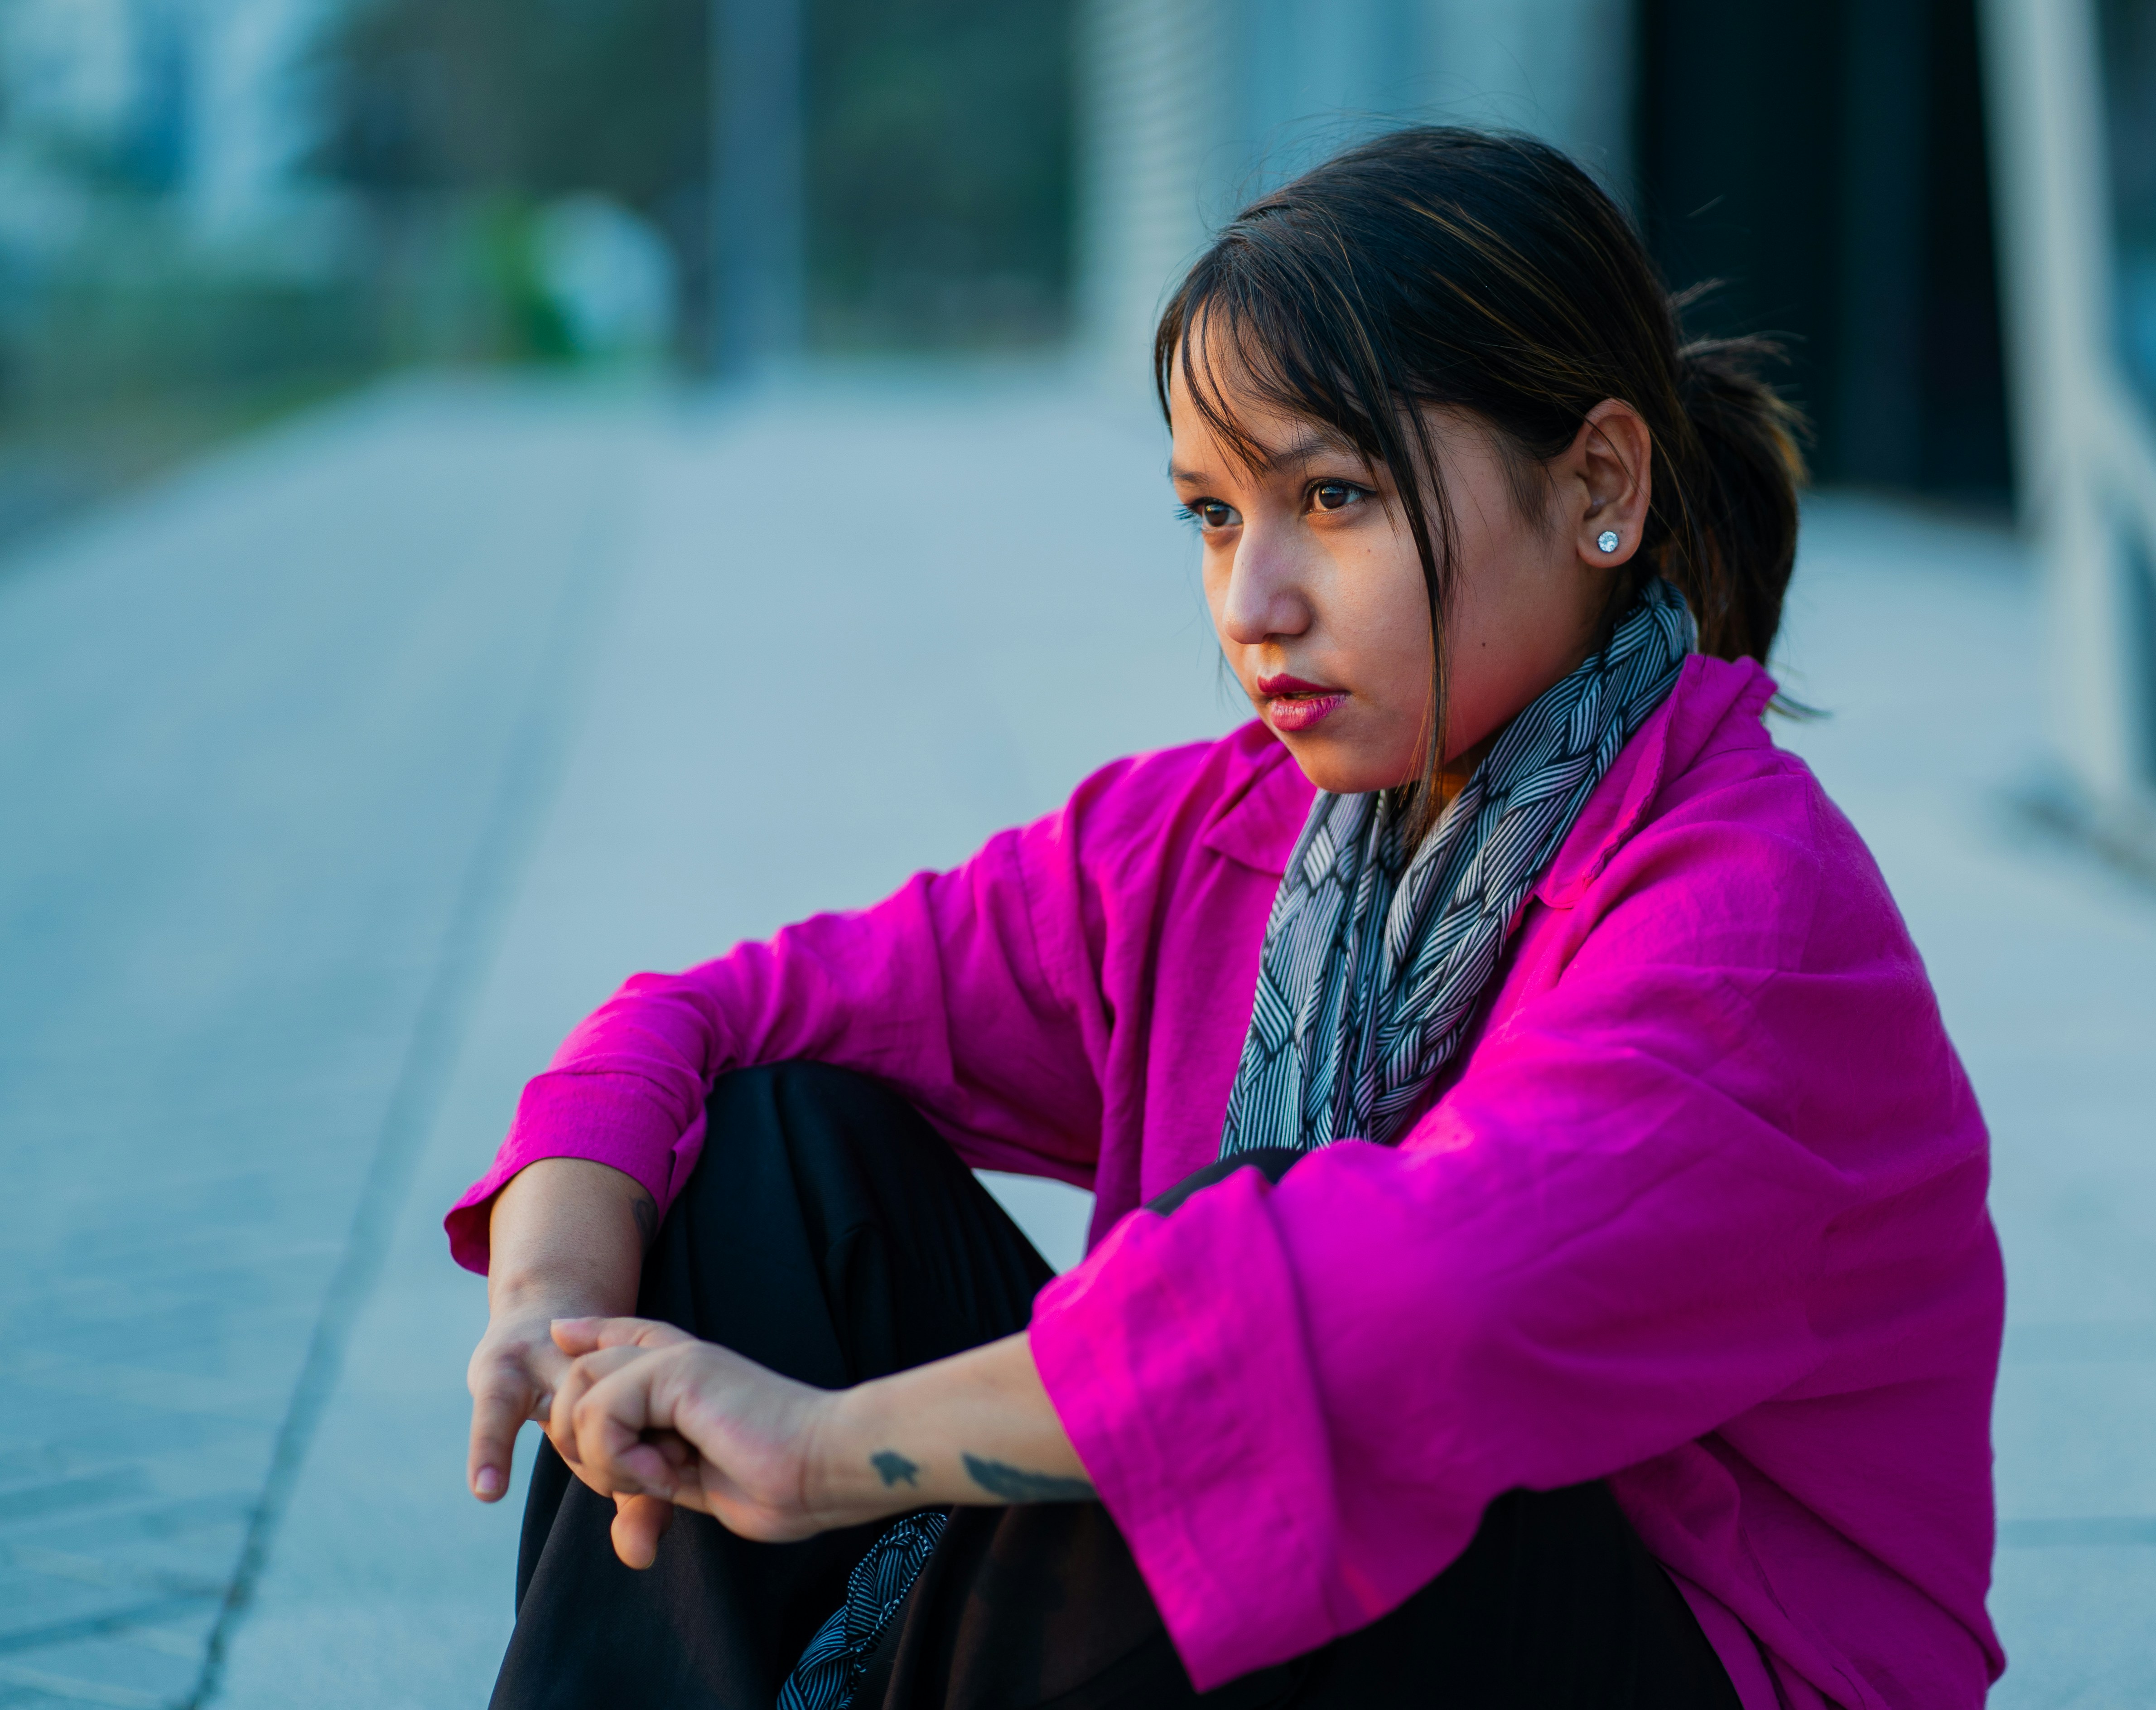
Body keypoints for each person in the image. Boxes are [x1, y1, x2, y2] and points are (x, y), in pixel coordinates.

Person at [449, 127, 2005, 1710]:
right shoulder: (1213, 838)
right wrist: (556, 1316)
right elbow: (707, 1022)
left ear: (1598, 484)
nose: (1252, 601)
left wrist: (832, 1450)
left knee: (1224, 1356)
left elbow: (1392, 1317)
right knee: (776, 1149)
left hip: (1670, 1660)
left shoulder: (1748, 917)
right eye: (1209, 513)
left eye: (1331, 495)